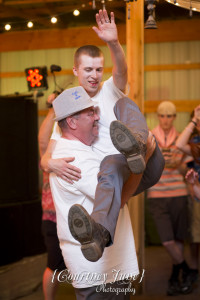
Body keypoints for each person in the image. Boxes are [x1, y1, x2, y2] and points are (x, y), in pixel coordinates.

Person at [49, 86, 157, 299]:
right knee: (112, 164)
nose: (97, 116)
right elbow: (119, 198)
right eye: (90, 113)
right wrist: (142, 162)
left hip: (109, 267)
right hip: (97, 273)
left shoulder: (86, 147)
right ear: (71, 122)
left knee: (124, 104)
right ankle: (98, 234)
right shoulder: (71, 156)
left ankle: (138, 146)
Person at [147, 101, 192, 296]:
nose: (165, 120)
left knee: (178, 237)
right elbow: (142, 166)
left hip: (179, 192)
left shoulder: (182, 137)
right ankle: (188, 270)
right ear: (158, 116)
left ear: (174, 117)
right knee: (166, 240)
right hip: (157, 194)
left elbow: (189, 170)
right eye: (162, 115)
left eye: (169, 116)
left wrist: (179, 165)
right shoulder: (150, 137)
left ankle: (175, 277)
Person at [38, 93, 66, 300]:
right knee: (54, 267)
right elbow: (41, 140)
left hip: (73, 219)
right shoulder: (50, 156)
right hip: (53, 219)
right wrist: (52, 109)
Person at [176, 104, 200, 286]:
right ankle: (194, 270)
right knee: (196, 236)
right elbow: (179, 144)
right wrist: (194, 120)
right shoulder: (196, 145)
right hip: (198, 193)